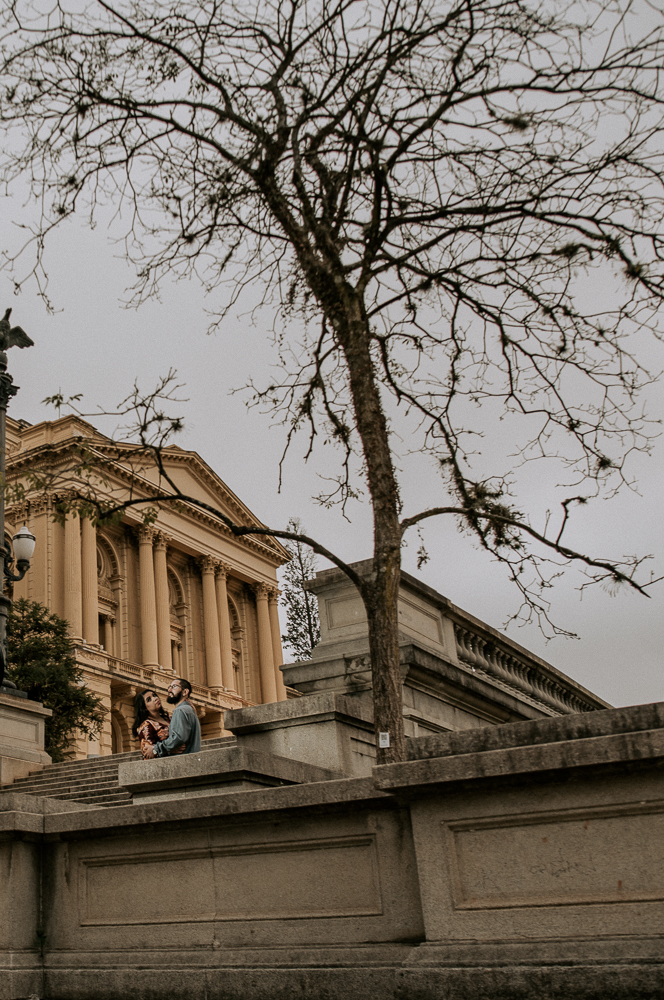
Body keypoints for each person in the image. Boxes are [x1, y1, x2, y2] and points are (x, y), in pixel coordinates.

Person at [151, 677, 201, 758]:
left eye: (174, 687)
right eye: (169, 687)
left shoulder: (180, 710)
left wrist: (156, 749)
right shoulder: (189, 709)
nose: (169, 690)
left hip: (183, 760)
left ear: (185, 692)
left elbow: (178, 738)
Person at [131, 689, 184, 760]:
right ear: (145, 708)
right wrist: (169, 750)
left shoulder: (171, 718)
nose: (155, 698)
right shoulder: (146, 726)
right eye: (149, 700)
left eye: (154, 695)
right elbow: (148, 754)